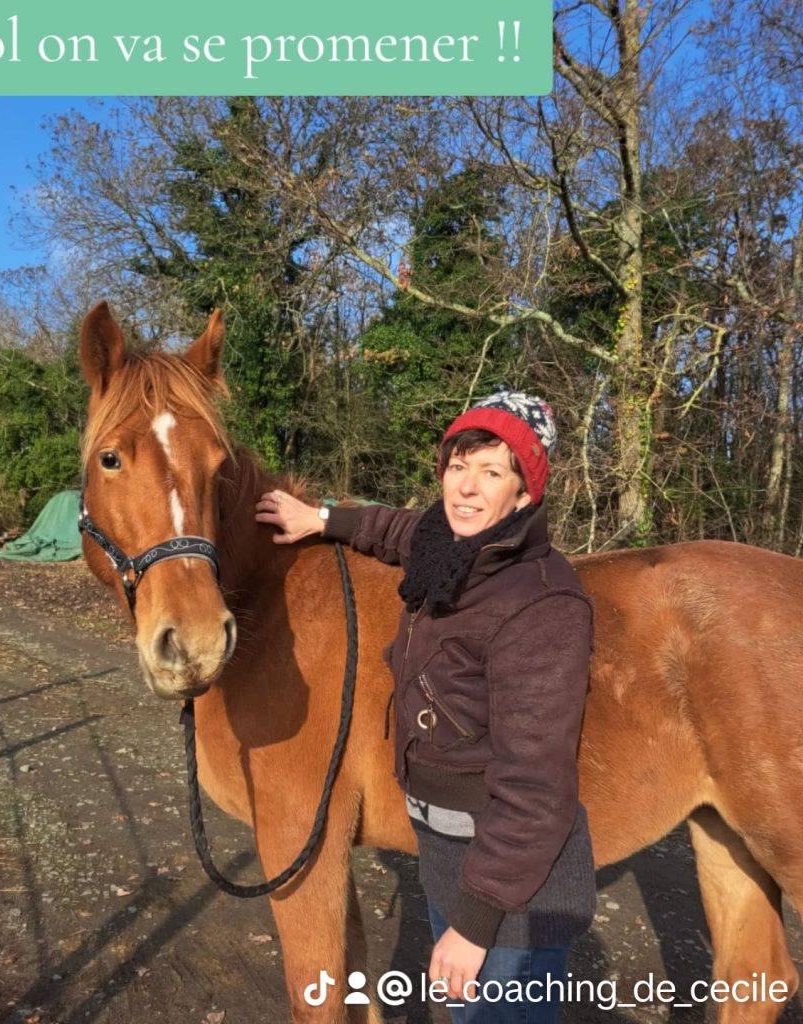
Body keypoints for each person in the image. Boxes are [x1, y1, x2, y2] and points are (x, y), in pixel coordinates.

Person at [255, 391, 596, 1023]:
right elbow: (393, 529)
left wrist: (474, 926)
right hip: (449, 858)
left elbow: (536, 788)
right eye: (458, 465)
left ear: (525, 494)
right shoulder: (450, 545)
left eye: (491, 472)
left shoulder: (541, 604)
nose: (466, 487)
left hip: (510, 898)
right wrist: (320, 518)